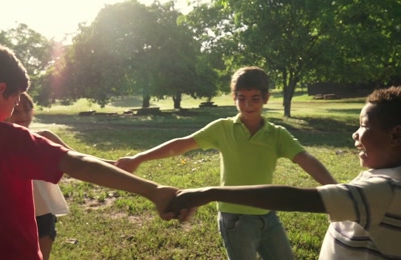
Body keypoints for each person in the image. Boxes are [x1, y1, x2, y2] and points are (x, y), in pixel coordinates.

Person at [0, 39, 190, 260]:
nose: (16, 108)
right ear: (0, 90)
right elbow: (77, 163)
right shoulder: (7, 139)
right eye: (15, 99)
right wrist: (152, 191)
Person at [115, 66, 337, 260]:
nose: (248, 105)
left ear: (266, 98)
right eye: (241, 98)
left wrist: (338, 191)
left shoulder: (277, 135)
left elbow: (306, 160)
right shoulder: (222, 129)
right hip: (235, 219)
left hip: (268, 216)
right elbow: (180, 145)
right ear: (234, 97)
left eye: (255, 99)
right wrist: (138, 158)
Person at [169, 86, 401, 259]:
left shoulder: (386, 189)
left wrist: (211, 193)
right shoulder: (386, 177)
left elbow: (293, 197)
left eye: (364, 126)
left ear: (395, 135)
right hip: (235, 220)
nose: (355, 134)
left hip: (265, 216)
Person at [7, 92, 74, 260]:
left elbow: (77, 158)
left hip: (43, 211)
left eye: (27, 109)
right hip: (11, 214)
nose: (22, 115)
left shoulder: (43, 137)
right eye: (15, 110)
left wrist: (115, 164)